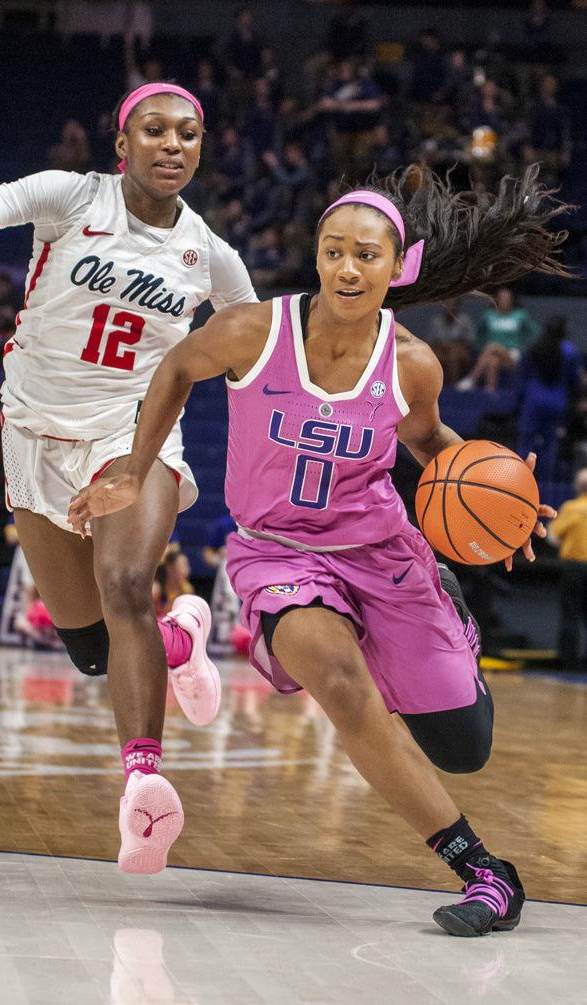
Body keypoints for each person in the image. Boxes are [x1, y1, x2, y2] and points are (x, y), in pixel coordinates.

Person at [69, 165, 567, 936]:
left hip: (383, 552)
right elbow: (175, 367)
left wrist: (507, 506)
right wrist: (135, 466)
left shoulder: (410, 363)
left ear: (395, 267)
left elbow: (430, 441)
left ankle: (448, 617)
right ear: (318, 254)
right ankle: (485, 871)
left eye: (366, 255)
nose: (346, 266)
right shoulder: (251, 332)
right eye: (334, 250)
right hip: (278, 555)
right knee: (338, 678)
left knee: (463, 746)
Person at [0, 81, 258, 874]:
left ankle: (143, 782)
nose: (173, 144)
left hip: (131, 435)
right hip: (33, 432)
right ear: (122, 143)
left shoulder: (212, 255)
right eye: (155, 130)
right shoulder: (68, 197)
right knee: (93, 649)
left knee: (126, 580)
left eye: (188, 134)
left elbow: (259, 350)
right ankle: (182, 637)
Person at [517, 317, 584, 484]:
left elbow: (522, 375)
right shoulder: (570, 351)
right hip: (556, 402)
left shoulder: (535, 348)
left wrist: (519, 400)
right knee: (548, 447)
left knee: (526, 443)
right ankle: (544, 488)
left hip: (534, 400)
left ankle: (519, 483)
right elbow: (576, 382)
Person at [459, 287, 540, 392]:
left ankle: (471, 379)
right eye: (502, 298)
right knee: (493, 362)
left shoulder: (520, 314)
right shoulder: (489, 315)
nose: (504, 300)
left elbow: (535, 332)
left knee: (491, 346)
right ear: (497, 299)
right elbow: (478, 334)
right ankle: (490, 391)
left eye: (507, 298)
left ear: (512, 300)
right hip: (493, 354)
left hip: (512, 354)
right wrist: (479, 347)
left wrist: (525, 349)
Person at [547, 468, 587, 669]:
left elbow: (553, 535)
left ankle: (568, 662)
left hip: (574, 568)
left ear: (577, 487)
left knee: (570, 613)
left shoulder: (571, 507)